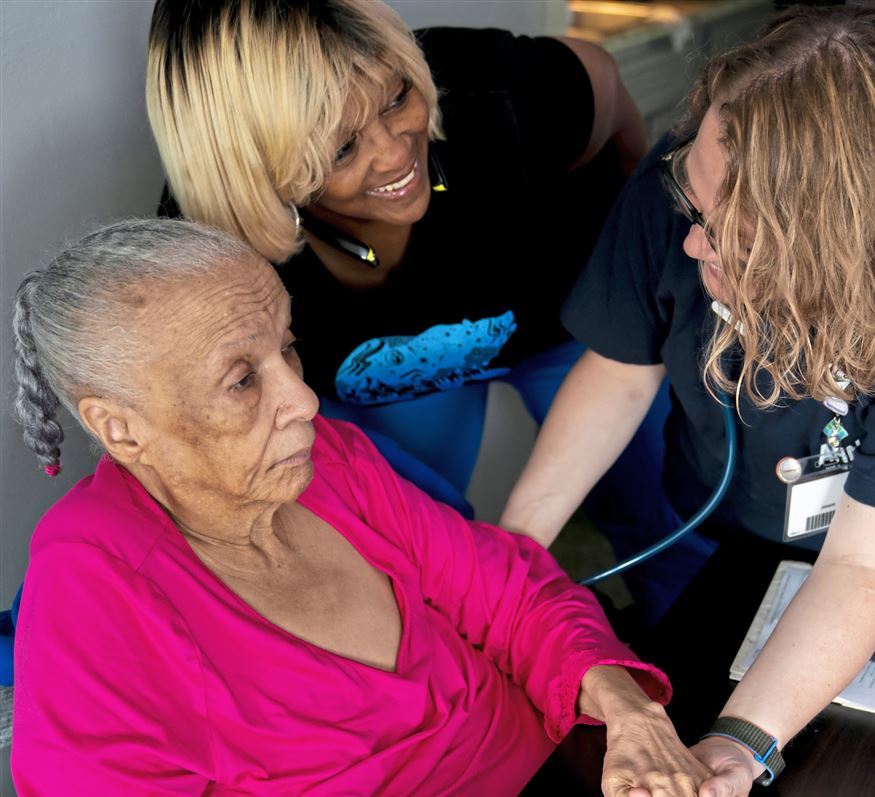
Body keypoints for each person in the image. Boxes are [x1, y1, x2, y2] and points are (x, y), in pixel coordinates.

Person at [502, 5, 875, 793]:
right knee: (688, 661)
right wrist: (507, 556)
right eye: (693, 211)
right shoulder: (701, 167)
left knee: (860, 752)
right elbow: (622, 368)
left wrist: (738, 746)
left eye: (725, 235)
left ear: (835, 250)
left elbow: (868, 564)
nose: (691, 241)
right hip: (715, 513)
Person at [9, 218, 713, 796]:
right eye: (242, 379)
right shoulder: (91, 585)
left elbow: (511, 594)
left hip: (570, 763)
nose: (305, 402)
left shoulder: (329, 460)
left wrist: (627, 711)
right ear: (120, 427)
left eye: (287, 347)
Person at [144, 0, 677, 594]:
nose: (397, 153)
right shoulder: (209, 254)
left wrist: (640, 223)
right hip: (382, 371)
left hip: (573, 318)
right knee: (418, 548)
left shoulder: (497, 91)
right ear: (255, 173)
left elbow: (602, 78)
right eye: (342, 149)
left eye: (398, 99)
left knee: (662, 507)